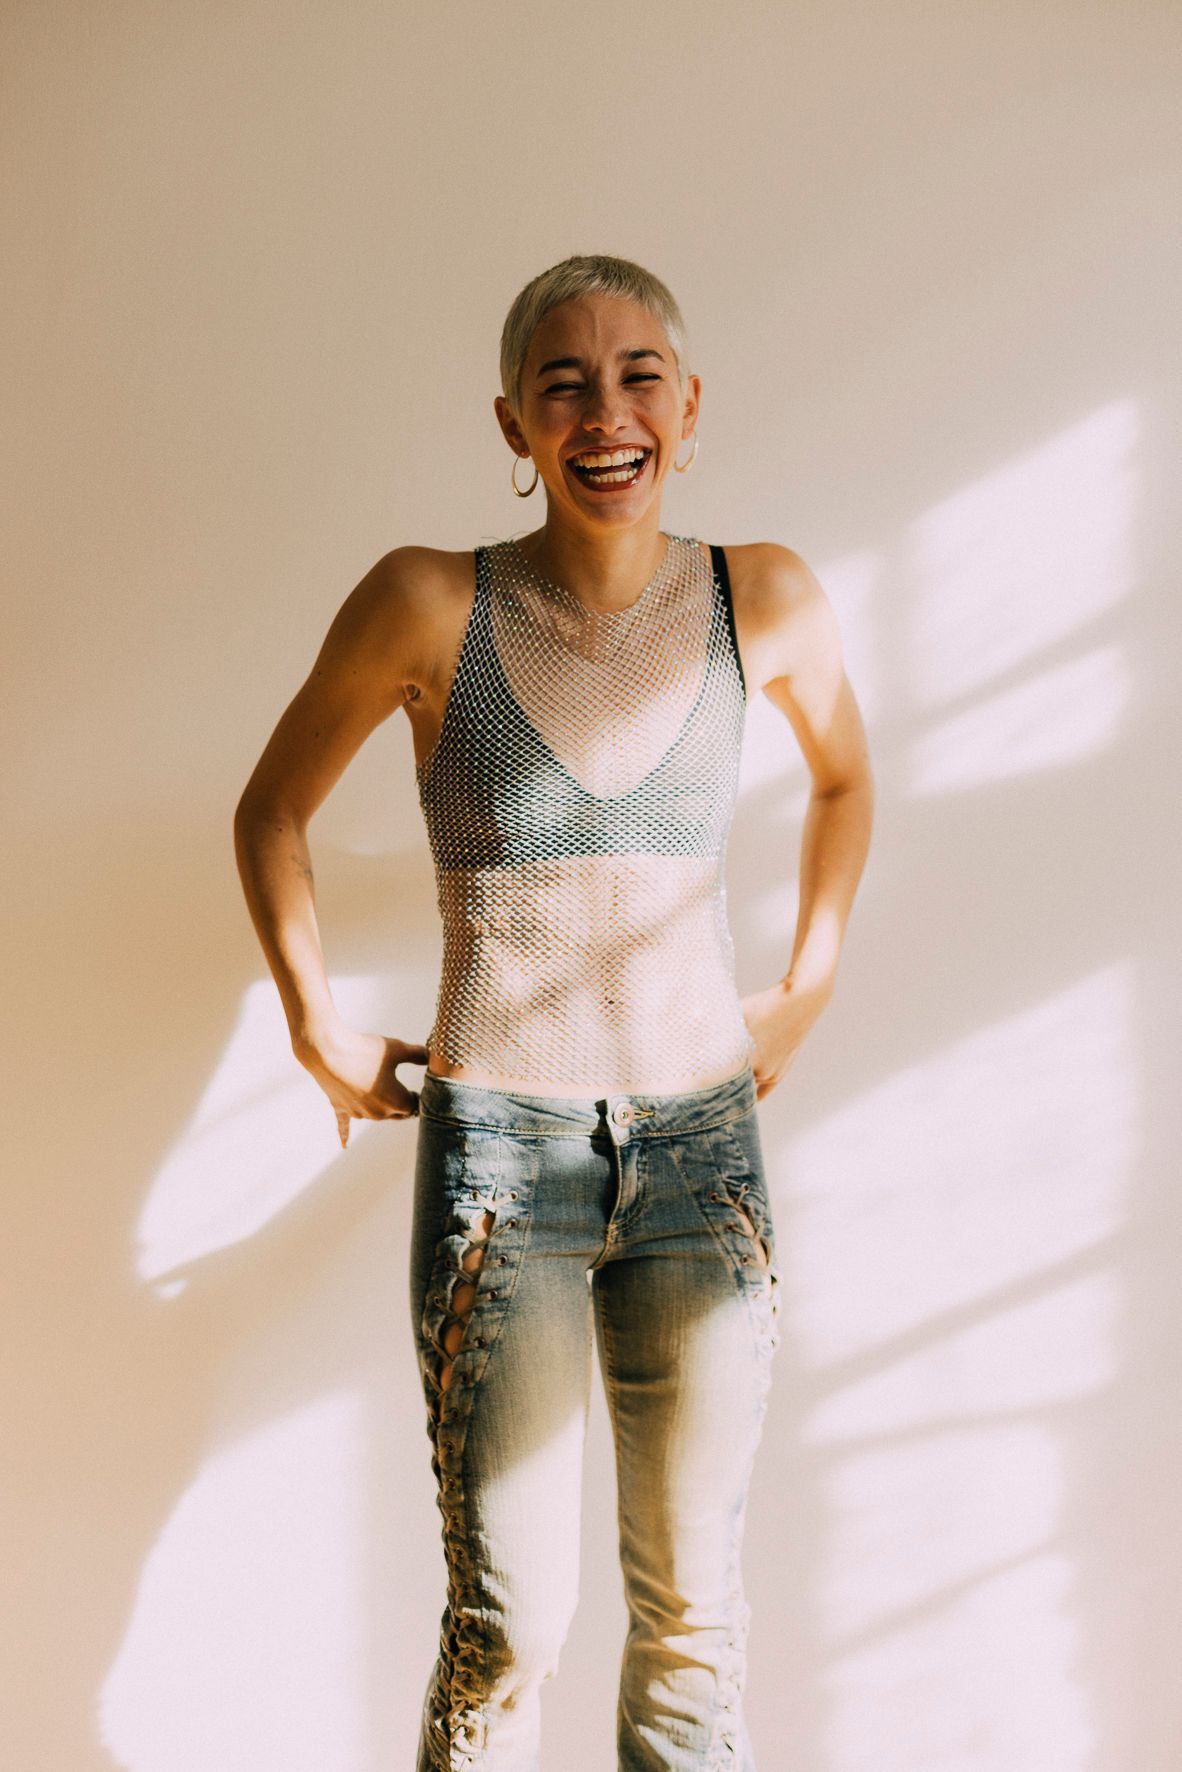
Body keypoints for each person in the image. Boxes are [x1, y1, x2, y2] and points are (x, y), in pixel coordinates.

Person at [233, 253, 874, 1772]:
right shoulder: (425, 600)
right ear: (514, 423)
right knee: (507, 1624)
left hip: (700, 1158)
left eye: (637, 373)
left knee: (692, 1618)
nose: (605, 411)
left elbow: (848, 780)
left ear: (689, 406)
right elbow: (271, 811)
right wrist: (313, 1025)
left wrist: (811, 981)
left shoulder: (759, 595)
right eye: (564, 384)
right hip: (498, 1167)